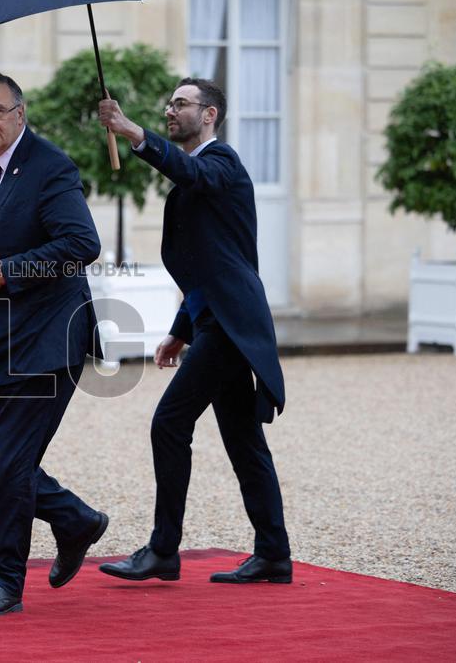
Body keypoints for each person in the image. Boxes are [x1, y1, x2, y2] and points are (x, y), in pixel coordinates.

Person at [97, 78, 292, 584]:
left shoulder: (221, 163)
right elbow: (207, 267)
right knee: (243, 440)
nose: (170, 109)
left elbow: (192, 173)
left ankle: (163, 550)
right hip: (216, 323)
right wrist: (181, 329)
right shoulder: (198, 175)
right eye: (169, 102)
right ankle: (274, 554)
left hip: (229, 327)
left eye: (181, 103)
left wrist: (132, 132)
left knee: (169, 423)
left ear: (209, 115)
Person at [0, 72, 107, 617]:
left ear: (21, 112)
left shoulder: (51, 166)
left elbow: (81, 244)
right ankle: (74, 519)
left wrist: (5, 272)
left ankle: (4, 580)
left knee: (12, 463)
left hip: (45, 340)